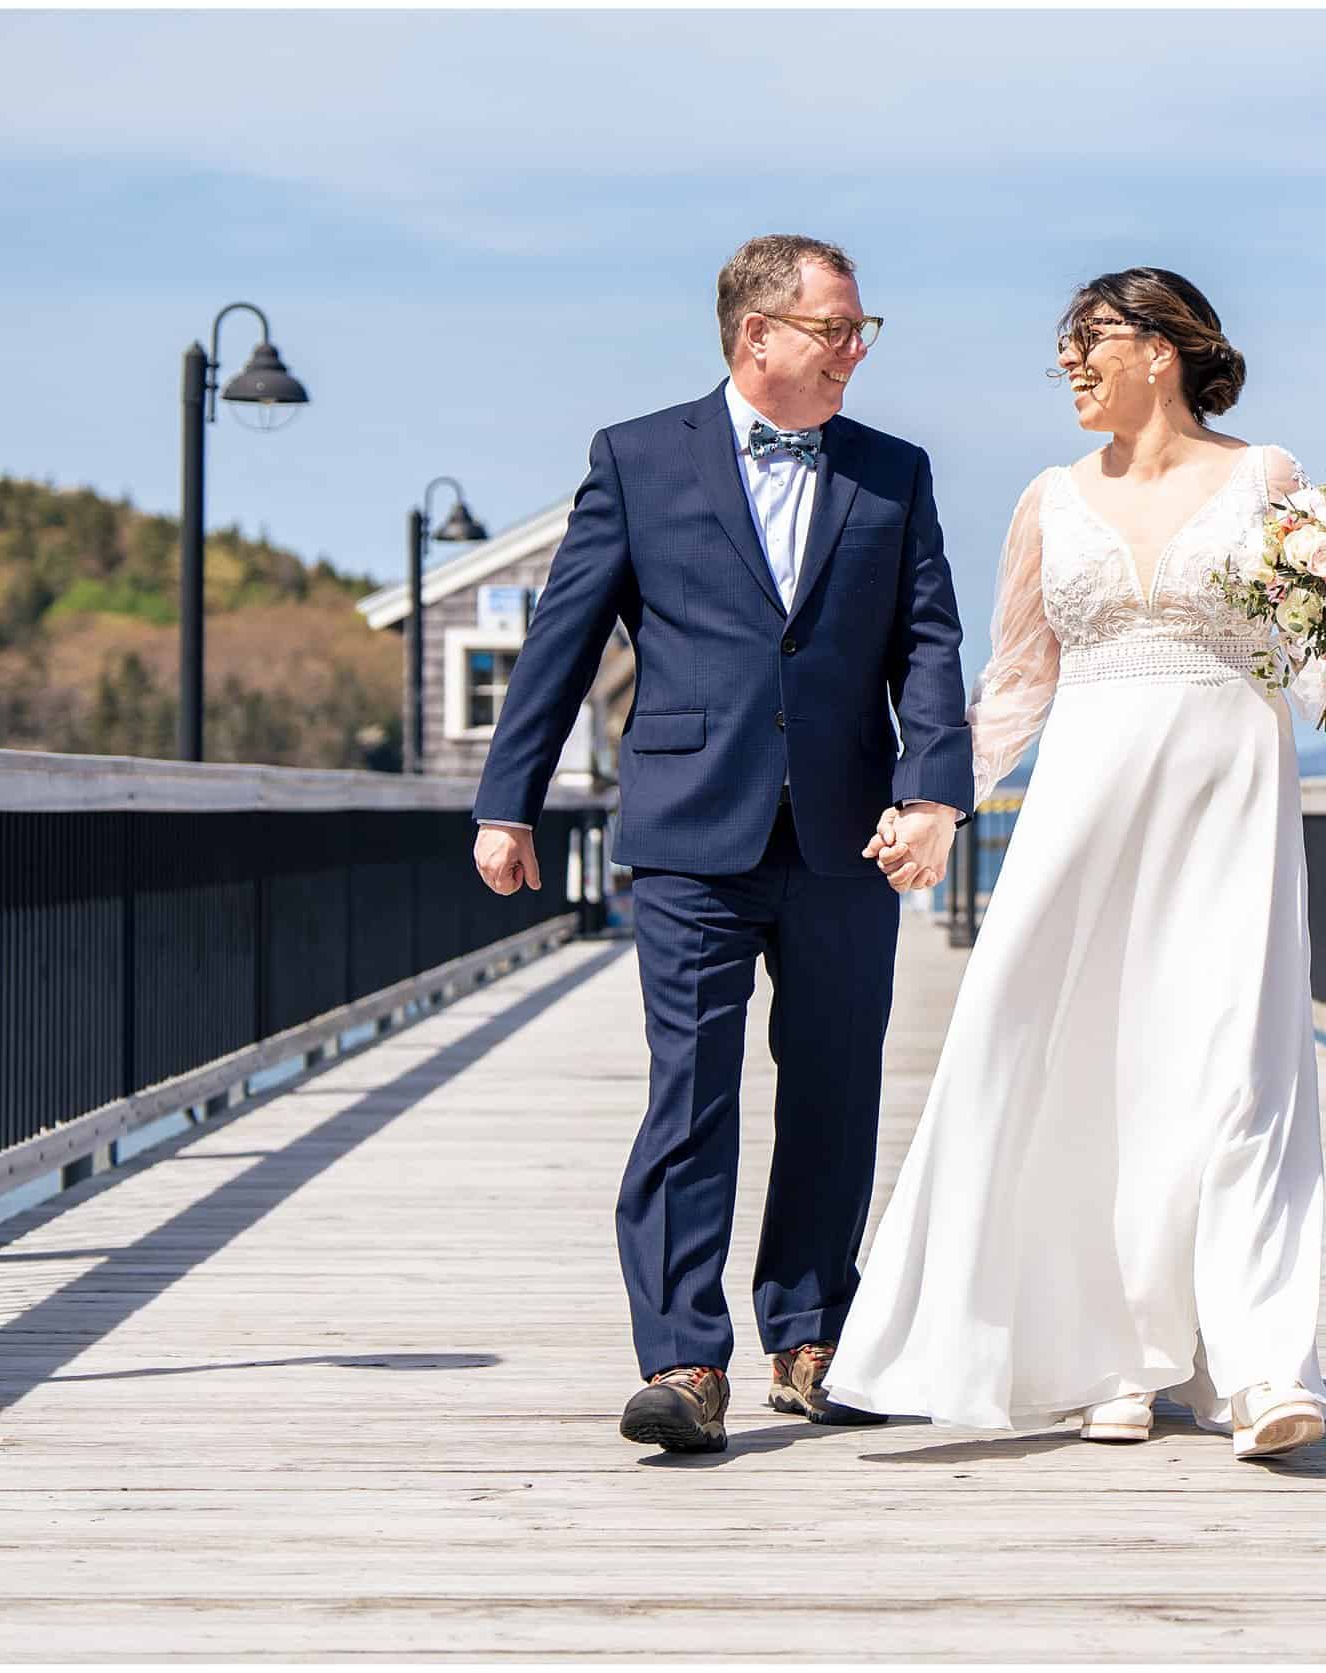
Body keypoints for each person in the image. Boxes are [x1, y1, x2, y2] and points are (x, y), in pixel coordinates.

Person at [826, 267, 1326, 1460]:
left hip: (1225, 795)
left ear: (1162, 349)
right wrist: (935, 805)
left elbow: (1302, 650)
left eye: (1090, 341)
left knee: (1235, 1065)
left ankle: (1262, 1365)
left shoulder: (1265, 478)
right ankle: (1106, 1360)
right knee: (1073, 1063)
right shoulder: (1048, 498)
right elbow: (1020, 680)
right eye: (1064, 349)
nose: (1072, 365)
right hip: (1080, 804)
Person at [470, 234, 971, 1454]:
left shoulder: (893, 473)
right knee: (689, 1094)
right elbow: (563, 637)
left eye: (862, 331)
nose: (857, 348)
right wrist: (507, 799)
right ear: (758, 335)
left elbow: (931, 644)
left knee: (837, 1090)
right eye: (836, 328)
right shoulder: (638, 458)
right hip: (693, 827)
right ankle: (685, 1359)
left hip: (848, 830)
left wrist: (933, 791)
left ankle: (810, 1332)